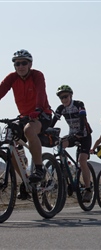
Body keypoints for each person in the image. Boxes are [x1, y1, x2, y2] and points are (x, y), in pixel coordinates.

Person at [0, 49, 52, 199]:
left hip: (42, 114)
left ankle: (39, 168)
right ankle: (26, 181)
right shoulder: (12, 78)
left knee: (29, 130)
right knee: (9, 140)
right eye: (17, 63)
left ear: (30, 64)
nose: (20, 66)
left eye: (24, 63)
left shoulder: (37, 75)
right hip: (23, 117)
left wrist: (37, 109)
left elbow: (41, 92)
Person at [50, 85, 93, 202]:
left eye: (66, 97)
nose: (64, 100)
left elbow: (82, 117)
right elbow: (53, 122)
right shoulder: (60, 108)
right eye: (61, 98)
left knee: (82, 160)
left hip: (84, 135)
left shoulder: (78, 104)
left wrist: (80, 130)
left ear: (71, 96)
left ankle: (88, 189)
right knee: (60, 145)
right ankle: (64, 170)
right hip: (72, 134)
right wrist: (47, 131)